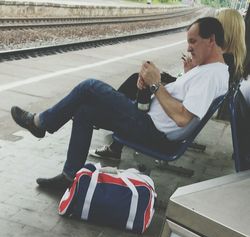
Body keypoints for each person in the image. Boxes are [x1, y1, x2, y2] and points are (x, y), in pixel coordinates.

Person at [11, 17, 229, 190]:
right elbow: (184, 99)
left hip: (152, 131)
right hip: (148, 122)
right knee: (84, 111)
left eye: (193, 41)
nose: (189, 48)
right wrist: (180, 77)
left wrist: (155, 84)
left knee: (90, 86)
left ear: (211, 40)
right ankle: (70, 176)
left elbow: (182, 118)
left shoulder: (211, 75)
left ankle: (39, 123)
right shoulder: (210, 71)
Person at [93, 8, 247, 159]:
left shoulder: (217, 66)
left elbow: (187, 110)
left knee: (111, 84)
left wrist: (158, 83)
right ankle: (111, 119)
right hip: (166, 118)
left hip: (159, 129)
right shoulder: (233, 61)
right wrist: (189, 73)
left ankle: (109, 121)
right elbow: (196, 87)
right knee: (137, 81)